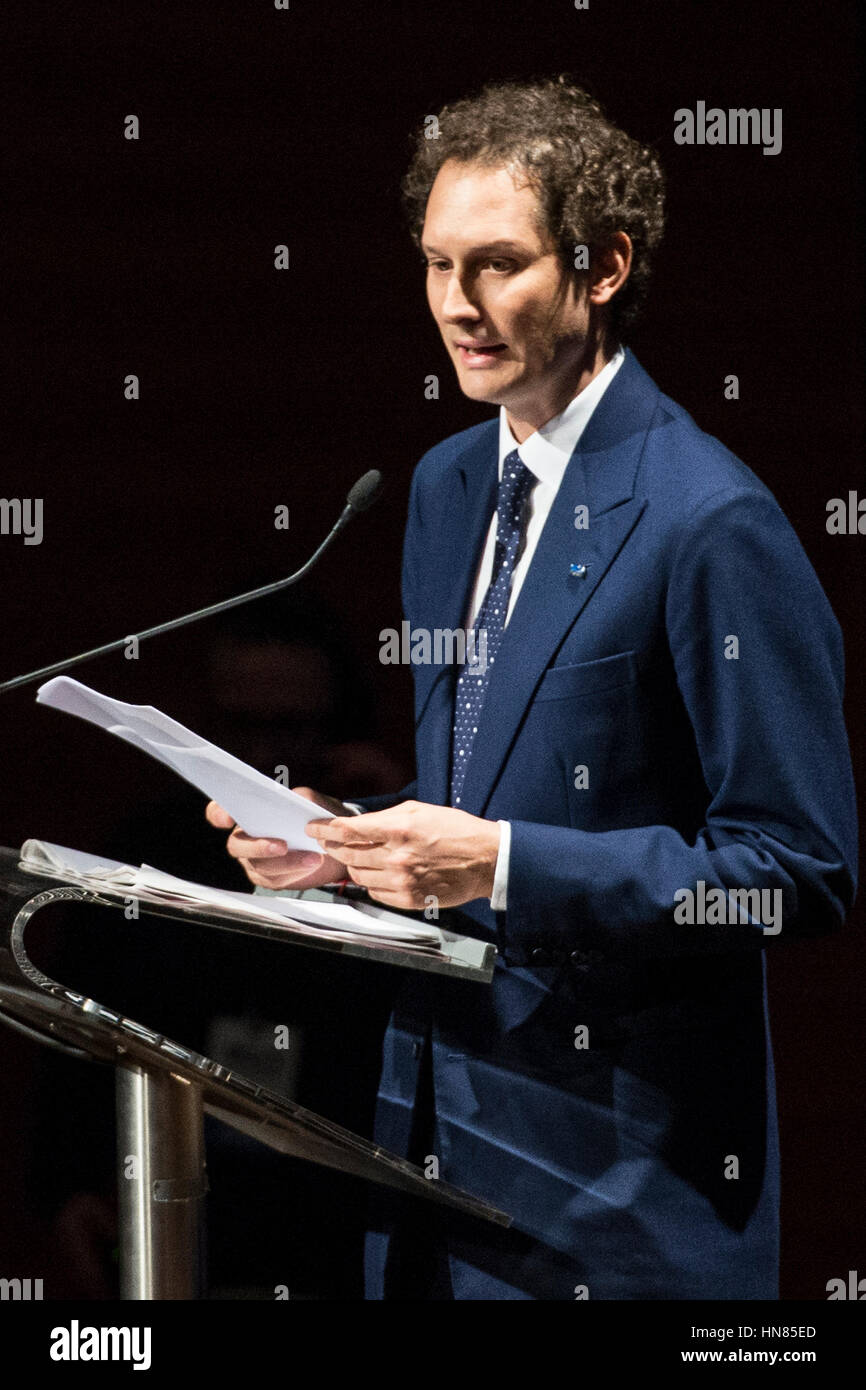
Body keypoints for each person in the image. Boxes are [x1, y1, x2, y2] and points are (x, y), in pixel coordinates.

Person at [207, 77, 857, 1300]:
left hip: (614, 1200)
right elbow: (489, 781)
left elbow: (792, 871)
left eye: (496, 265)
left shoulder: (710, 520)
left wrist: (501, 863)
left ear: (601, 265)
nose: (456, 306)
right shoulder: (452, 481)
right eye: (435, 265)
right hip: (429, 1162)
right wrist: (339, 847)